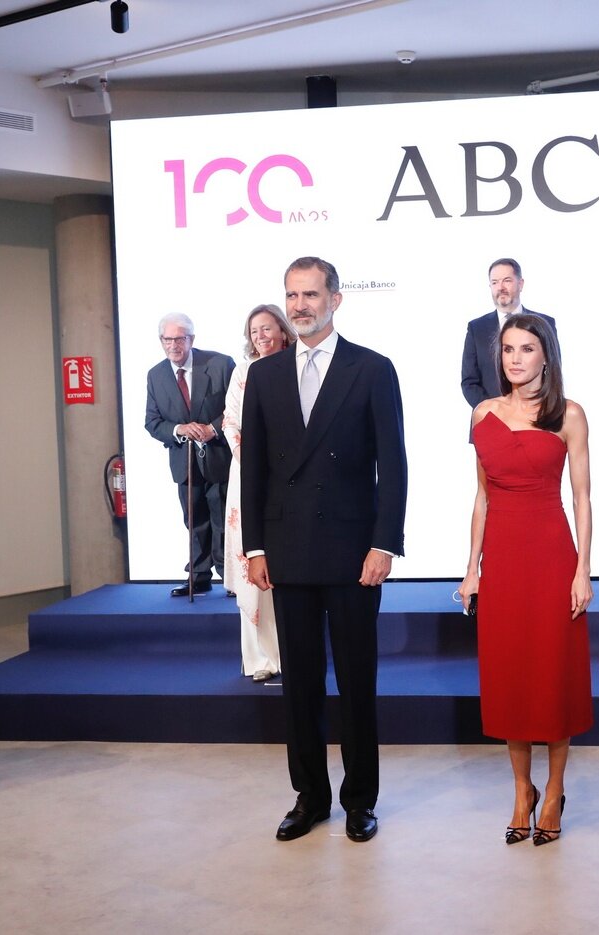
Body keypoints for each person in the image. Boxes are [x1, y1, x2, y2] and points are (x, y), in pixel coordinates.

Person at [241, 256, 407, 844]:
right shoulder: (263, 376)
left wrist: (385, 542)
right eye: (292, 295)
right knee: (301, 683)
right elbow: (254, 469)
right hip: (287, 551)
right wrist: (254, 547)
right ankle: (309, 796)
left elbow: (394, 465)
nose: (300, 305)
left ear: (336, 300)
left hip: (353, 550)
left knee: (358, 683)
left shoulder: (372, 369)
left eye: (311, 294)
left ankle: (360, 799)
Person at [459, 313, 593, 847]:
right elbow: (483, 498)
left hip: (551, 555)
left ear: (546, 355)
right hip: (504, 563)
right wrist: (472, 567)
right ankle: (522, 790)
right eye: (508, 349)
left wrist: (583, 568)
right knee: (510, 677)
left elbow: (582, 497)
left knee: (552, 676)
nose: (515, 358)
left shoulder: (569, 415)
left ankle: (555, 790)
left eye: (527, 348)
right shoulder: (482, 414)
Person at [221, 304, 295, 681]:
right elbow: (230, 420)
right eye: (254, 331)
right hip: (249, 476)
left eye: (267, 329)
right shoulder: (243, 372)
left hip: (288, 477)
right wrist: (250, 456)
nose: (261, 336)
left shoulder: (300, 366)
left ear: (282, 331)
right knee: (253, 560)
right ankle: (260, 659)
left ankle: (292, 655)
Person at [144, 312, 234, 595]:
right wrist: (180, 429)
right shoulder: (156, 375)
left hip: (219, 457)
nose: (173, 345)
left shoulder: (220, 364)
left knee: (223, 520)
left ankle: (230, 578)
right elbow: (152, 422)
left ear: (191, 339)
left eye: (179, 339)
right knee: (194, 521)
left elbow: (237, 408)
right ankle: (199, 577)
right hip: (184, 462)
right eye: (167, 339)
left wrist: (212, 429)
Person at [460, 258, 558, 408]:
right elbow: (469, 381)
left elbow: (553, 371)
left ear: (520, 284)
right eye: (494, 282)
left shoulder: (545, 323)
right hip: (491, 421)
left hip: (536, 419)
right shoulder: (476, 328)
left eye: (507, 280)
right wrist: (496, 412)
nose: (500, 287)